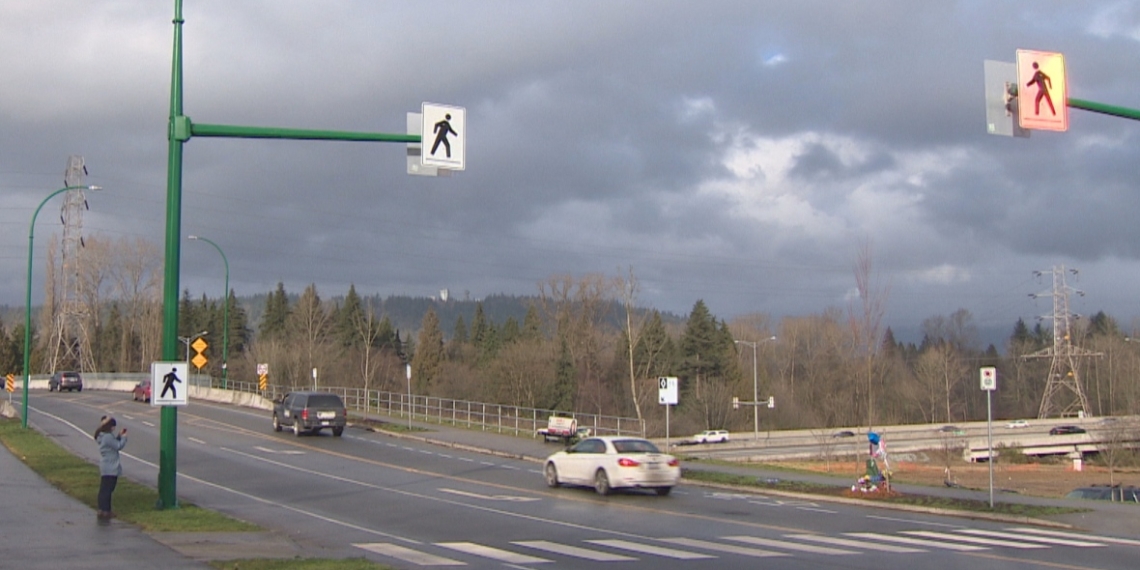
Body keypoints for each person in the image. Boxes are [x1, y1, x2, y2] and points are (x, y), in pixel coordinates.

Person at [92, 416, 127, 519]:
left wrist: (119, 436)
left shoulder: (102, 436)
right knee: (108, 490)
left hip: (105, 465)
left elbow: (113, 443)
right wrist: (124, 438)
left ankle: (102, 509)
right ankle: (106, 510)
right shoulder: (108, 437)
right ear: (111, 427)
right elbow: (118, 446)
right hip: (111, 466)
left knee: (104, 489)